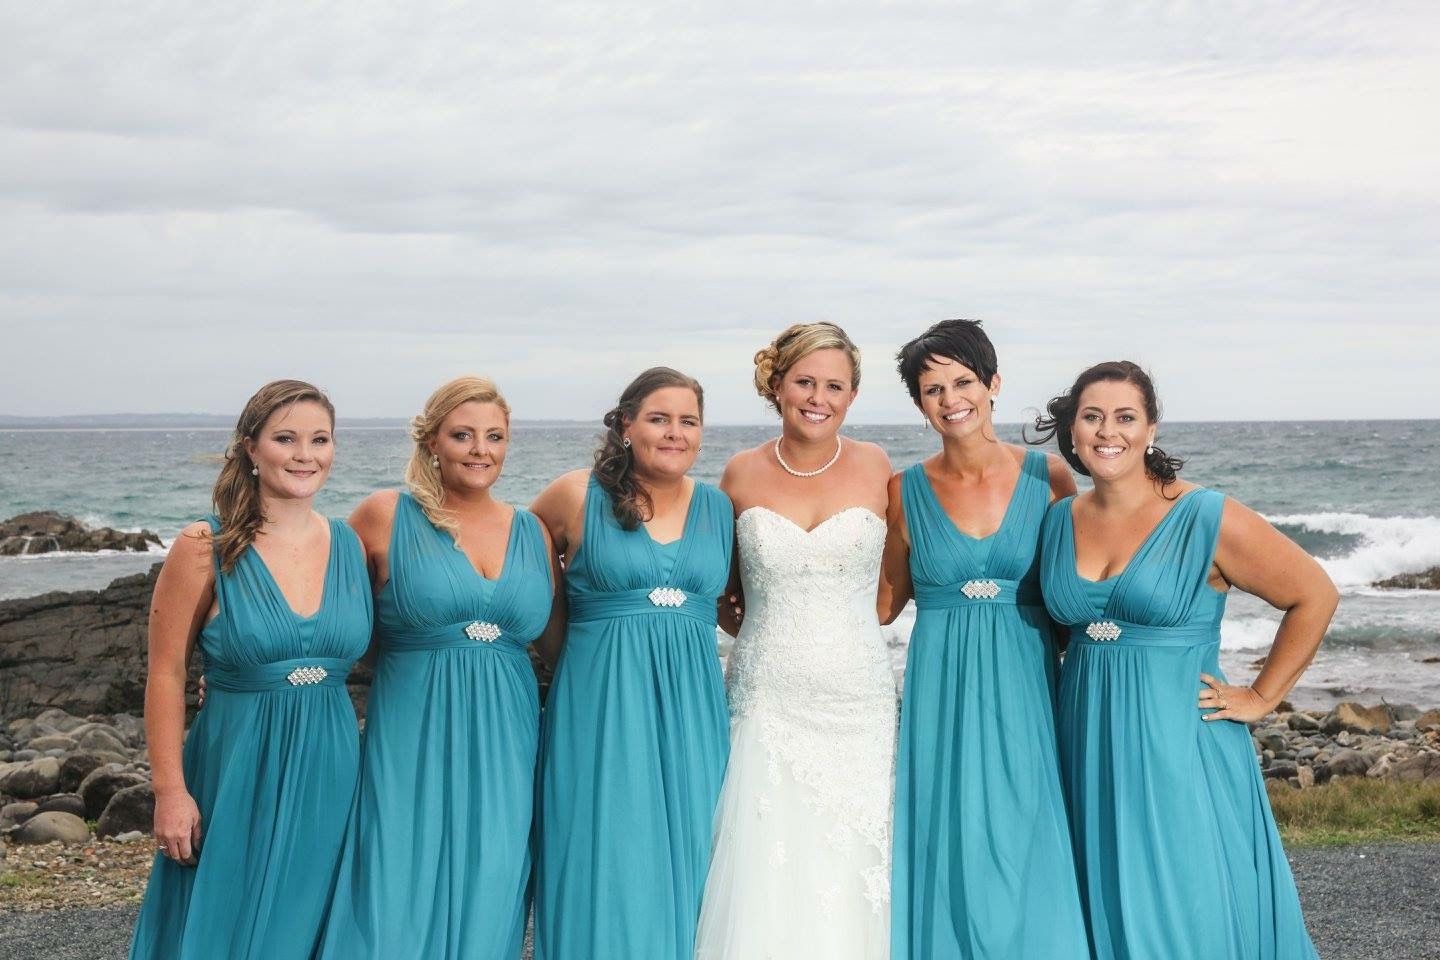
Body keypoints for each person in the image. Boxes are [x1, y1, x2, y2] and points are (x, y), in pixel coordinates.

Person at [1032, 361, 1337, 960]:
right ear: (1072, 430)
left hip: (1179, 744)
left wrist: (1261, 696)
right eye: (1091, 417)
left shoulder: (1205, 516)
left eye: (1125, 417)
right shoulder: (1058, 520)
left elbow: (1314, 594)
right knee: (1103, 901)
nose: (1107, 431)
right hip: (1087, 742)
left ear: (1151, 429)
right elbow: (1063, 634)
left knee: (1185, 903)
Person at [316, 376, 558, 960]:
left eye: (494, 436)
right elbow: (335, 624)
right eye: (463, 435)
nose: (480, 449)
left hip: (508, 738)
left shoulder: (533, 532)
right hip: (410, 730)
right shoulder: (382, 516)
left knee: (494, 879)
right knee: (393, 878)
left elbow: (562, 647)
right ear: (431, 442)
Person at [129, 380, 372, 960]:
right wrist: (169, 791)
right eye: (285, 438)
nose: (304, 455)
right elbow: (165, 674)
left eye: (319, 439)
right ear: (250, 448)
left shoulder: (351, 546)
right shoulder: (203, 546)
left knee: (314, 920)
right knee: (226, 921)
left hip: (334, 766)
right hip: (235, 763)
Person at [879, 320, 1088, 959]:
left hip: (1025, 677)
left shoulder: (1048, 478)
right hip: (940, 682)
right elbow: (884, 604)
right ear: (920, 405)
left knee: (1026, 821)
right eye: (932, 389)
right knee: (949, 825)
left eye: (963, 381)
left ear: (993, 385)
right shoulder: (902, 490)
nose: (951, 399)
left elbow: (1075, 590)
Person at [696, 322, 895, 960]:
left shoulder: (877, 467)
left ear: (853, 396)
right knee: (762, 860)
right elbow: (721, 592)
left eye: (834, 385)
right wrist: (768, 635)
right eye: (805, 381)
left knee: (852, 862)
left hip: (856, 700)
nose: (818, 397)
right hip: (767, 697)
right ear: (776, 385)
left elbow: (896, 588)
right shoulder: (740, 472)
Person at [531, 367, 733, 960]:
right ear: (625, 426)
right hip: (599, 712)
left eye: (688, 422)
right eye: (658, 418)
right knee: (605, 861)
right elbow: (524, 583)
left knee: (697, 857)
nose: (675, 433)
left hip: (694, 715)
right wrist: (585, 662)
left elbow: (736, 606)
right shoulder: (573, 494)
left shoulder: (720, 509)